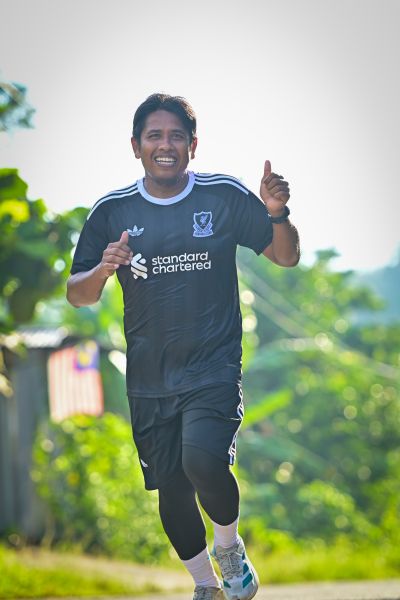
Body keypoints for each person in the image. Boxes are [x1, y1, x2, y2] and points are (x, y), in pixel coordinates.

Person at [67, 93, 300, 600]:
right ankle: (205, 586)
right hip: (150, 377)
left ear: (193, 145)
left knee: (203, 461)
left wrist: (277, 213)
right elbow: (77, 294)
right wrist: (104, 268)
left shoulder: (222, 196)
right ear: (136, 146)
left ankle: (229, 548)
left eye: (176, 136)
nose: (165, 145)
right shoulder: (112, 211)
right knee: (171, 489)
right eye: (154, 136)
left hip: (213, 367)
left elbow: (285, 256)